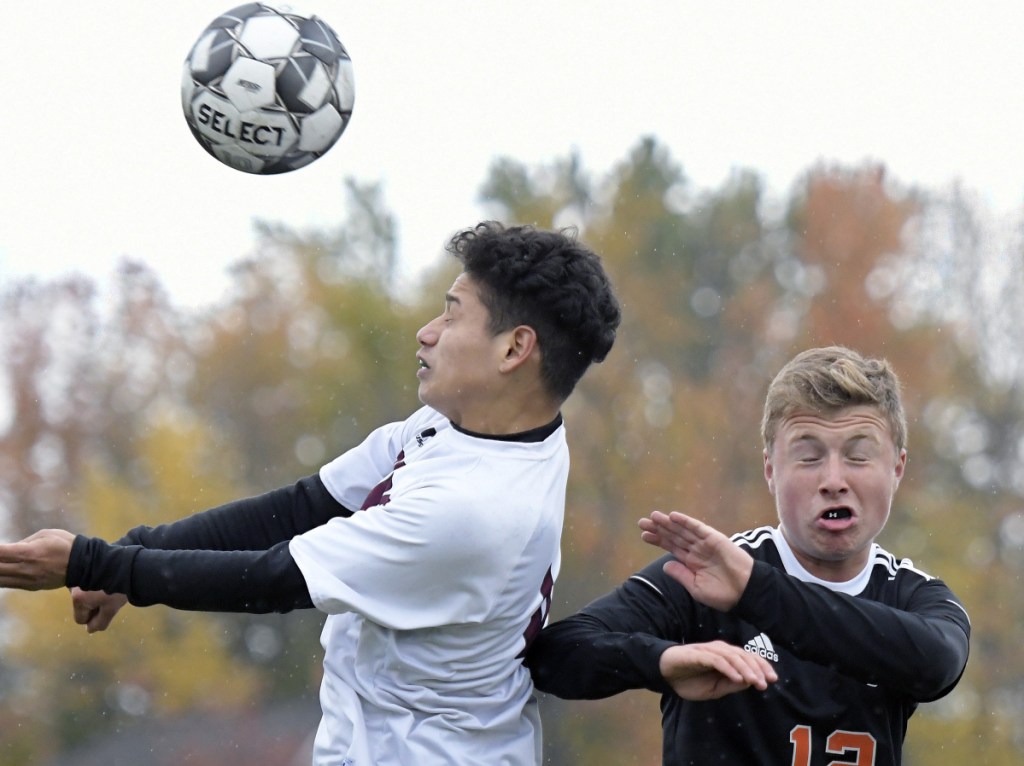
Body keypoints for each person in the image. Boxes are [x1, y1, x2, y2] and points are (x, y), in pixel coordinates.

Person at [0, 221, 621, 766]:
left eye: (454, 313)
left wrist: (93, 563)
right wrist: (128, 554)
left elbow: (274, 580)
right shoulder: (462, 429)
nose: (427, 332)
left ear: (515, 348)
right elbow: (301, 508)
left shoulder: (473, 511)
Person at [526, 345, 971, 765]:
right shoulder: (709, 571)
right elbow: (557, 656)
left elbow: (936, 665)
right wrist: (661, 662)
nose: (834, 479)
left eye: (858, 457)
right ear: (770, 469)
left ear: (897, 468)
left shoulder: (914, 596)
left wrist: (753, 592)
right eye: (809, 457)